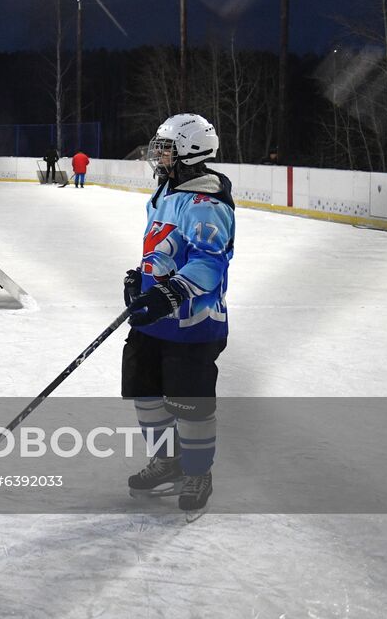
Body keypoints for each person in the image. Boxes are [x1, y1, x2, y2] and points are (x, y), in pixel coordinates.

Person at [121, 113, 234, 521]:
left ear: (189, 152)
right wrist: (141, 277)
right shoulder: (166, 191)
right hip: (155, 316)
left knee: (191, 404)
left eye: (166, 147)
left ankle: (197, 472)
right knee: (145, 392)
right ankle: (168, 461)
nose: (159, 154)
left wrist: (171, 292)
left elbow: (209, 263)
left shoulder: (205, 201)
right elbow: (163, 249)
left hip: (193, 323)